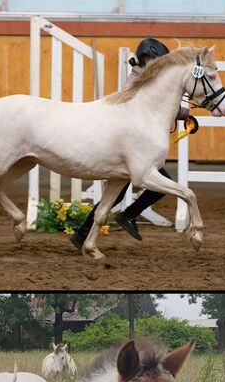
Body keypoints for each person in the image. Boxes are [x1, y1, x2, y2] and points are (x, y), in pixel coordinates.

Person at [70, 37, 190, 250]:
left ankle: (83, 234)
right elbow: (135, 105)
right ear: (149, 59)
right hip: (129, 146)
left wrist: (183, 113)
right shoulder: (136, 77)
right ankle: (126, 217)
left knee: (116, 194)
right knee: (158, 186)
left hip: (135, 148)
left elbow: (159, 108)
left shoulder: (154, 79)